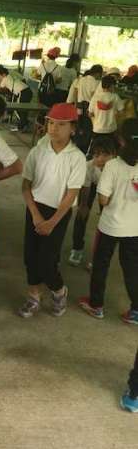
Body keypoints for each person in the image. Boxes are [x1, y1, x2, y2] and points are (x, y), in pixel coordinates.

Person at [19, 103, 86, 318]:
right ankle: (34, 296)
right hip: (35, 208)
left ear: (73, 128)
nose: (54, 128)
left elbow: (71, 194)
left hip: (59, 212)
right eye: (51, 123)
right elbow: (26, 186)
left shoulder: (77, 157)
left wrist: (52, 222)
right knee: (30, 256)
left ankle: (58, 290)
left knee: (47, 260)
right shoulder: (38, 151)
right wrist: (35, 214)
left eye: (61, 124)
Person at [79, 118, 138, 323]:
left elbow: (103, 199)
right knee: (132, 268)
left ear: (120, 140)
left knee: (100, 265)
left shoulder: (112, 166)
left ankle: (96, 305)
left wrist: (114, 198)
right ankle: (136, 310)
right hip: (134, 228)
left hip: (110, 226)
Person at [68, 137, 117, 267]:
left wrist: (106, 210)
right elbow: (86, 188)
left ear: (113, 154)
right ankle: (77, 248)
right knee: (81, 215)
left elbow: (112, 195)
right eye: (96, 155)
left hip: (110, 189)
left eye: (105, 155)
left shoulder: (117, 167)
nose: (100, 159)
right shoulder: (89, 166)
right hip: (93, 183)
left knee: (107, 221)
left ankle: (99, 257)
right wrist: (83, 205)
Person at [0, 65, 32, 131]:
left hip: (22, 92)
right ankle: (24, 124)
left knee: (19, 109)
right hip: (27, 91)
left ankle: (23, 125)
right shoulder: (9, 76)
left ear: (0, 74)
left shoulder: (5, 79)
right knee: (21, 109)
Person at [88, 75, 124, 141]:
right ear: (111, 86)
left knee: (97, 146)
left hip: (97, 129)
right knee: (110, 146)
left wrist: (96, 119)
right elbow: (121, 111)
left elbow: (90, 114)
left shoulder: (95, 97)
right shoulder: (115, 97)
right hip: (111, 129)